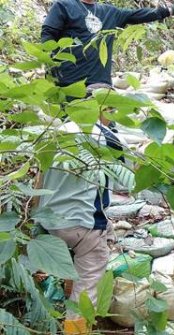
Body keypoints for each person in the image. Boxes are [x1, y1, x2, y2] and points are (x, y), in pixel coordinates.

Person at [37, 85, 130, 335]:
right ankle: (75, 329)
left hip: (49, 222)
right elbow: (129, 180)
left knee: (75, 264)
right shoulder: (105, 137)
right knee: (86, 291)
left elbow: (39, 177)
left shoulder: (56, 132)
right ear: (105, 108)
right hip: (83, 226)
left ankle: (63, 304)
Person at [41, 0, 174, 89]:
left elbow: (136, 15)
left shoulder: (109, 12)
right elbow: (48, 33)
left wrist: (167, 11)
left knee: (107, 135)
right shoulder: (64, 6)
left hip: (98, 83)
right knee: (69, 130)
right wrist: (50, 63)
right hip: (68, 80)